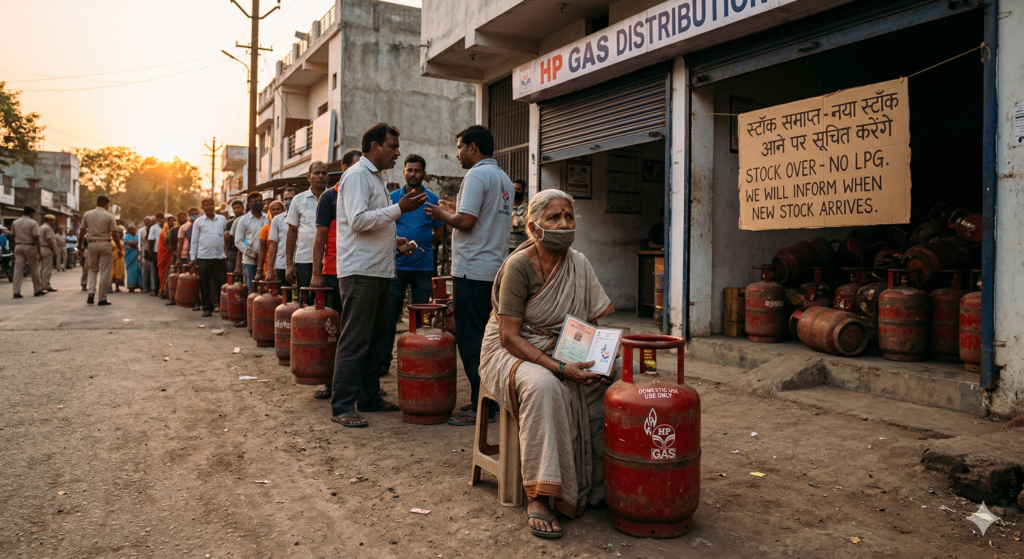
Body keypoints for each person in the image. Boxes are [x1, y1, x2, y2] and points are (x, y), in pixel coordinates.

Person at [479, 189, 618, 538]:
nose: (563, 224)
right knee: (544, 386)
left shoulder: (579, 263)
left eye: (568, 216)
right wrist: (557, 367)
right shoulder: (519, 266)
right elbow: (509, 336)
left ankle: (598, 485)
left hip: (561, 346)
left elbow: (590, 324)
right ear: (533, 226)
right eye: (553, 217)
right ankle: (541, 495)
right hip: (509, 349)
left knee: (607, 388)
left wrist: (601, 361)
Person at [329, 122, 428, 428]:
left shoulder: (377, 177)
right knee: (356, 339)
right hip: (360, 270)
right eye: (392, 147)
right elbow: (357, 221)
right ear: (375, 147)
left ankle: (368, 395)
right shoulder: (357, 175)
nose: (397, 153)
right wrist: (399, 209)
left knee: (374, 338)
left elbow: (373, 222)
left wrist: (395, 240)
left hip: (378, 268)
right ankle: (343, 404)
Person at [425, 125, 514, 426]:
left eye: (460, 147)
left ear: (473, 148)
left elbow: (465, 221)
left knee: (471, 339)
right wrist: (454, 210)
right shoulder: (503, 178)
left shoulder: (476, 175)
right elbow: (475, 216)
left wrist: (442, 215)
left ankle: (483, 407)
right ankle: (488, 400)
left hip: (472, 270)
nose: (458, 153)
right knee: (488, 339)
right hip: (492, 269)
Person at [382, 154, 444, 374]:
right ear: (404, 172)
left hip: (424, 267)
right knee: (390, 315)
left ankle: (420, 360)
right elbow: (386, 226)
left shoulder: (432, 199)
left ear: (424, 174)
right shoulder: (392, 198)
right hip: (396, 265)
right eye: (409, 170)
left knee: (422, 317)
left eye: (417, 170)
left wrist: (427, 245)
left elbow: (440, 229)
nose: (413, 174)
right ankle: (384, 361)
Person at [310, 149, 361, 401]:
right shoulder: (329, 198)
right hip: (333, 272)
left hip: (359, 271)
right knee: (335, 332)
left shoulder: (364, 193)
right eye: (355, 167)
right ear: (343, 169)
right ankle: (332, 383)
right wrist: (316, 272)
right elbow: (319, 238)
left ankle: (360, 385)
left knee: (357, 332)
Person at [286, 162, 329, 301]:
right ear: (308, 177)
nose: (321, 176)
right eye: (317, 173)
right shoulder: (298, 200)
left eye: (324, 173)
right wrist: (289, 264)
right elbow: (292, 232)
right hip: (304, 260)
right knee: (306, 304)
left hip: (330, 260)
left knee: (328, 303)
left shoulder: (335, 197)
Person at [188, 197, 229, 317]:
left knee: (221, 283)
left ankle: (223, 308)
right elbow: (194, 241)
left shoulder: (222, 219)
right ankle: (207, 308)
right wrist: (193, 258)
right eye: (206, 205)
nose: (209, 207)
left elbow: (226, 237)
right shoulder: (199, 222)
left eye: (211, 204)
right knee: (204, 283)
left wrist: (225, 252)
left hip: (219, 257)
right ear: (203, 207)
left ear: (214, 205)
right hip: (204, 257)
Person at [78, 196, 121, 306]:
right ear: (106, 204)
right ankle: (102, 298)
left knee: (92, 269)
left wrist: (79, 248)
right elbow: (114, 233)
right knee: (105, 271)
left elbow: (82, 233)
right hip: (105, 243)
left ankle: (91, 293)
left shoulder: (87, 214)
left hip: (91, 244)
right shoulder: (109, 216)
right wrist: (119, 248)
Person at [232, 192, 268, 325]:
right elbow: (239, 241)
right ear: (249, 204)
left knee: (266, 291)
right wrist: (251, 253)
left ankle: (264, 320)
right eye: (255, 201)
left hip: (266, 262)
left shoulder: (267, 218)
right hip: (250, 261)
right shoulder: (243, 220)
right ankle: (252, 321)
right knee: (252, 291)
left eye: (260, 200)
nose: (258, 203)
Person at [11, 206, 45, 298]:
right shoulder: (33, 223)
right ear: (31, 214)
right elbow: (36, 237)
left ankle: (16, 292)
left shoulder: (15, 222)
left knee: (18, 270)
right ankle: (37, 290)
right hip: (29, 246)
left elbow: (12, 237)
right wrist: (39, 251)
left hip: (18, 246)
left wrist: (13, 250)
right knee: (34, 269)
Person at [259, 200, 287, 284]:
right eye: (273, 210)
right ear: (270, 212)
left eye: (278, 209)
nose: (276, 212)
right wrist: (260, 269)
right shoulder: (265, 229)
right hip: (270, 265)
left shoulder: (288, 225)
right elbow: (263, 249)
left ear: (283, 210)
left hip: (284, 263)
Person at [157, 215, 176, 298]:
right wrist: (171, 251)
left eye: (173, 221)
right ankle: (162, 290)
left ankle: (171, 292)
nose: (172, 222)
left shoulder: (177, 230)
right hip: (165, 255)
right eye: (170, 221)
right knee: (163, 272)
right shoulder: (163, 232)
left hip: (174, 255)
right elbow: (163, 244)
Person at [225, 201, 245, 273]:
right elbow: (227, 238)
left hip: (245, 250)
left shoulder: (246, 220)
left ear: (243, 208)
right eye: (234, 208)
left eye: (238, 207)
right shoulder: (229, 223)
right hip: (233, 252)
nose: (236, 210)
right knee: (231, 271)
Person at [148, 213, 165, 295]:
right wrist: (150, 251)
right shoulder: (153, 228)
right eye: (158, 218)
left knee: (165, 270)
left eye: (161, 218)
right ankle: (156, 289)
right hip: (156, 251)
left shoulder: (167, 227)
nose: (160, 220)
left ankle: (164, 289)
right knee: (156, 270)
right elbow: (151, 240)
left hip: (166, 251)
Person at [39, 214, 58, 292]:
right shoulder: (48, 228)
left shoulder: (40, 227)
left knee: (42, 268)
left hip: (41, 248)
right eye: (52, 220)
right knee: (47, 268)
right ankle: (46, 285)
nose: (53, 222)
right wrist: (53, 250)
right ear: (48, 220)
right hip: (47, 248)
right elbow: (49, 240)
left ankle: (41, 284)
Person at [510, 179, 528, 252]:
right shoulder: (506, 206)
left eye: (518, 189)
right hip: (506, 247)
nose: (515, 191)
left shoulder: (528, 208)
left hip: (522, 247)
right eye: (513, 188)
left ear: (523, 192)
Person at [124, 224, 142, 292]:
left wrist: (136, 243)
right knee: (131, 271)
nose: (134, 231)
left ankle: (139, 285)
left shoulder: (137, 236)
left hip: (137, 255)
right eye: (132, 230)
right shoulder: (127, 237)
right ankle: (131, 287)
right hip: (130, 256)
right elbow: (132, 244)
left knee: (138, 270)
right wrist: (139, 241)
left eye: (135, 229)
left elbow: (136, 245)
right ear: (129, 230)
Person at [110, 227, 126, 293]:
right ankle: (109, 287)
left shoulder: (122, 241)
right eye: (117, 233)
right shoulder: (110, 240)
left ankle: (117, 287)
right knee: (111, 273)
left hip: (120, 258)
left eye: (119, 233)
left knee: (119, 272)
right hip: (112, 258)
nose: (118, 234)